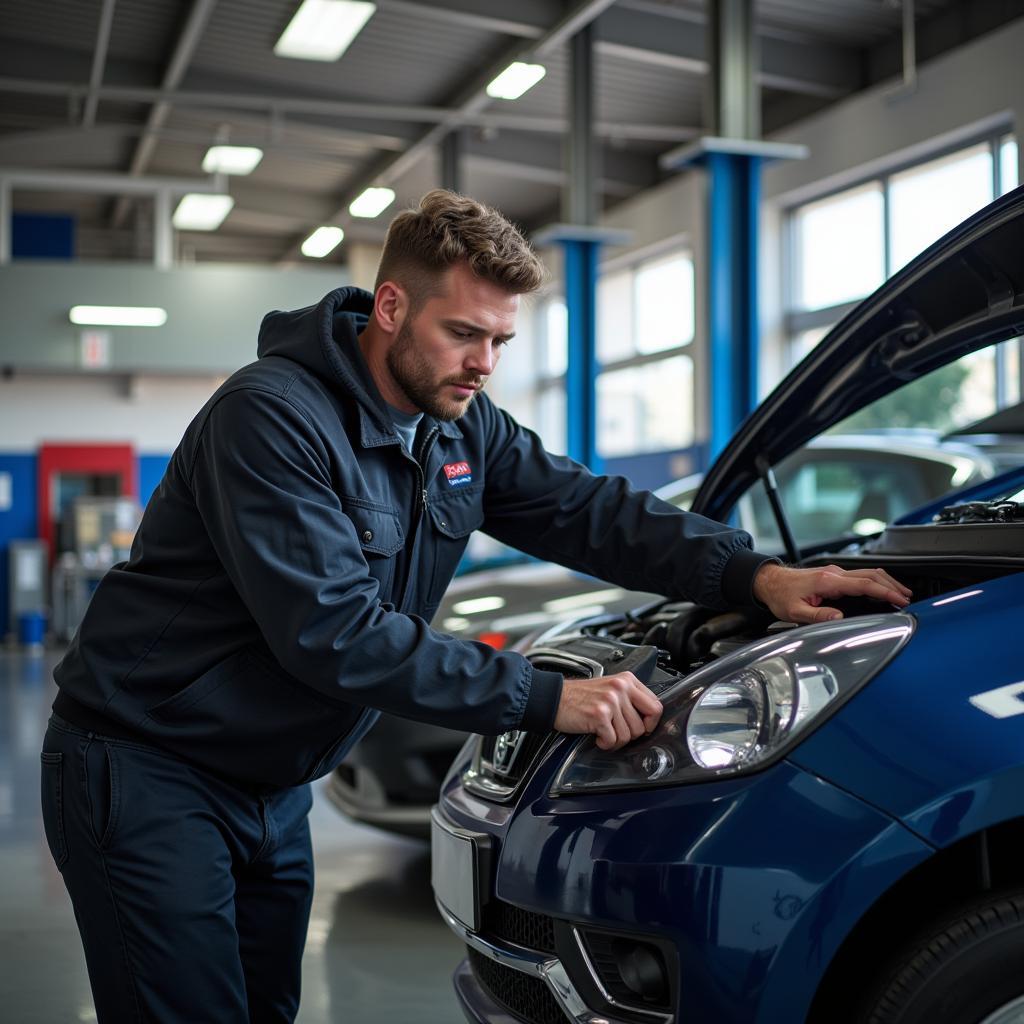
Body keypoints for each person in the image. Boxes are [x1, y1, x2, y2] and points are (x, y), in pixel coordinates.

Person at [40, 189, 911, 1023]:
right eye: (462, 333)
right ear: (389, 307)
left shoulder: (462, 423)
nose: (484, 363)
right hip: (148, 765)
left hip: (272, 781)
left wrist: (752, 576)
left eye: (499, 339)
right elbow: (333, 632)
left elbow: (589, 511)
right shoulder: (271, 419)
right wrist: (548, 695)